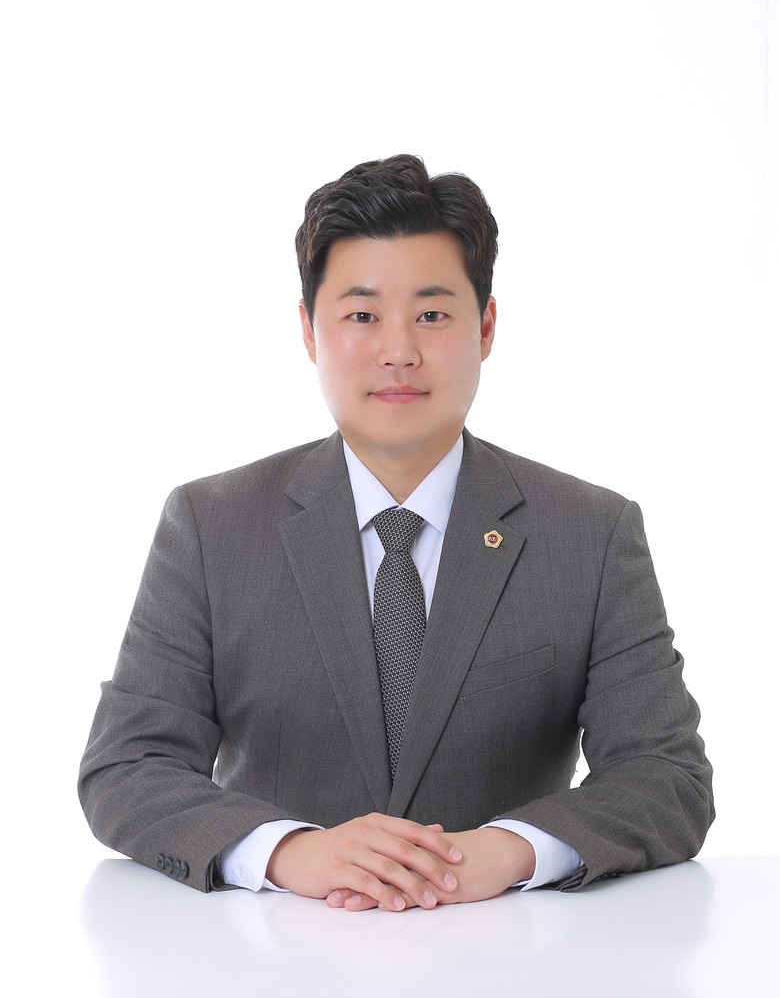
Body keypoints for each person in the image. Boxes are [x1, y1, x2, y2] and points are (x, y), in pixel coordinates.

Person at [79, 154, 714, 911]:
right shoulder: (213, 526)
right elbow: (128, 765)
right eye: (362, 316)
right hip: (270, 949)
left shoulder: (590, 534)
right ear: (309, 331)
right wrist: (288, 851)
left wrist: (505, 851)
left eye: (432, 315)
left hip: (511, 948)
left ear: (486, 327)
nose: (399, 351)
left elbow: (666, 775)